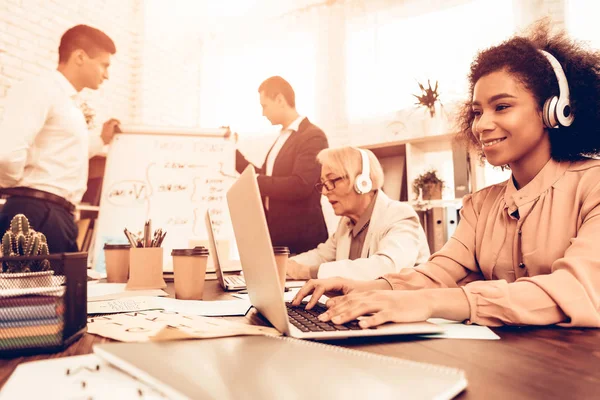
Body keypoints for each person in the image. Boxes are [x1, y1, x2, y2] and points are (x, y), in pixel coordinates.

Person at [292, 22, 600, 328]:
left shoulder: (593, 186)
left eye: (502, 107)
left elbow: (575, 289)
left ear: (556, 109)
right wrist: (368, 287)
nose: (481, 125)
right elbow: (438, 272)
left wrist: (429, 302)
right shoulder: (481, 206)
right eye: (477, 112)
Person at [0, 24, 121, 254]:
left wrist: (101, 140)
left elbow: (61, 155)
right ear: (80, 57)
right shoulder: (40, 88)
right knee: (35, 290)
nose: (106, 75)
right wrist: (22, 189)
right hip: (36, 212)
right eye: (104, 65)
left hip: (56, 216)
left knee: (65, 289)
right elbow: (5, 154)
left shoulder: (68, 103)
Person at [286, 146, 430, 280]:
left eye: (332, 180)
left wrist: (311, 272)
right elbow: (321, 256)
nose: (324, 191)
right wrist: (284, 265)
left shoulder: (399, 215)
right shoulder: (347, 223)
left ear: (362, 182)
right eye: (323, 183)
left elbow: (388, 267)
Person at [236, 76, 329, 254]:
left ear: (279, 99)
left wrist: (255, 180)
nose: (263, 113)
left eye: (265, 106)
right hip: (277, 237)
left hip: (302, 241)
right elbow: (266, 177)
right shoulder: (282, 137)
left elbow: (300, 185)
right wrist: (230, 150)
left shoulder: (313, 136)